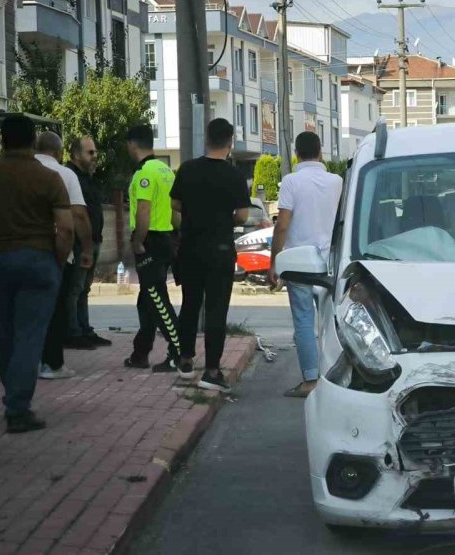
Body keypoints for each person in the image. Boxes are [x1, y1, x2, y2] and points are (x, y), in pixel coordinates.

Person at [0, 115, 74, 433]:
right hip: (37, 261)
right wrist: (57, 261)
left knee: (5, 332)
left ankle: (13, 395)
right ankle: (18, 409)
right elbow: (65, 228)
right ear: (33, 140)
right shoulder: (47, 177)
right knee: (29, 336)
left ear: (2, 139)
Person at [171, 119, 251, 393]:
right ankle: (212, 371)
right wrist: (222, 218)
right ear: (230, 142)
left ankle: (184, 361)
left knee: (190, 304)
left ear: (207, 139)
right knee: (217, 308)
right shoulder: (234, 175)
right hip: (220, 250)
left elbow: (175, 204)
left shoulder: (188, 169)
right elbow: (242, 214)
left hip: (191, 248)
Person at [269, 132, 343, 398]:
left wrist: (274, 262)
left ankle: (311, 380)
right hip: (329, 263)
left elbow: (283, 225)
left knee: (303, 321)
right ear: (320, 152)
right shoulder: (337, 181)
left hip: (299, 263)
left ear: (297, 153)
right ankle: (334, 378)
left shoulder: (291, 182)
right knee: (329, 322)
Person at [35, 132, 94, 380]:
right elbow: (77, 217)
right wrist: (87, 249)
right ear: (59, 153)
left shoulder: (14, 171)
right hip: (54, 254)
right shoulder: (65, 174)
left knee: (22, 312)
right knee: (56, 309)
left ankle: (13, 362)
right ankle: (52, 363)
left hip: (13, 252)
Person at [123, 125, 183, 371]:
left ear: (132, 145)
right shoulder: (166, 170)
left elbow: (143, 210)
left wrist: (138, 241)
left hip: (151, 242)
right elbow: (176, 210)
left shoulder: (144, 173)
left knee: (158, 300)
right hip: (167, 238)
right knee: (146, 299)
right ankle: (140, 353)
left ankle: (179, 352)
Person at [64, 137, 112, 348]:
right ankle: (72, 333)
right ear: (76, 155)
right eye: (89, 152)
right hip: (79, 243)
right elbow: (77, 214)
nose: (95, 156)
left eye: (95, 152)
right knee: (74, 289)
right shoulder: (71, 176)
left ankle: (85, 329)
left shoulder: (88, 178)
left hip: (93, 241)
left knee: (84, 289)